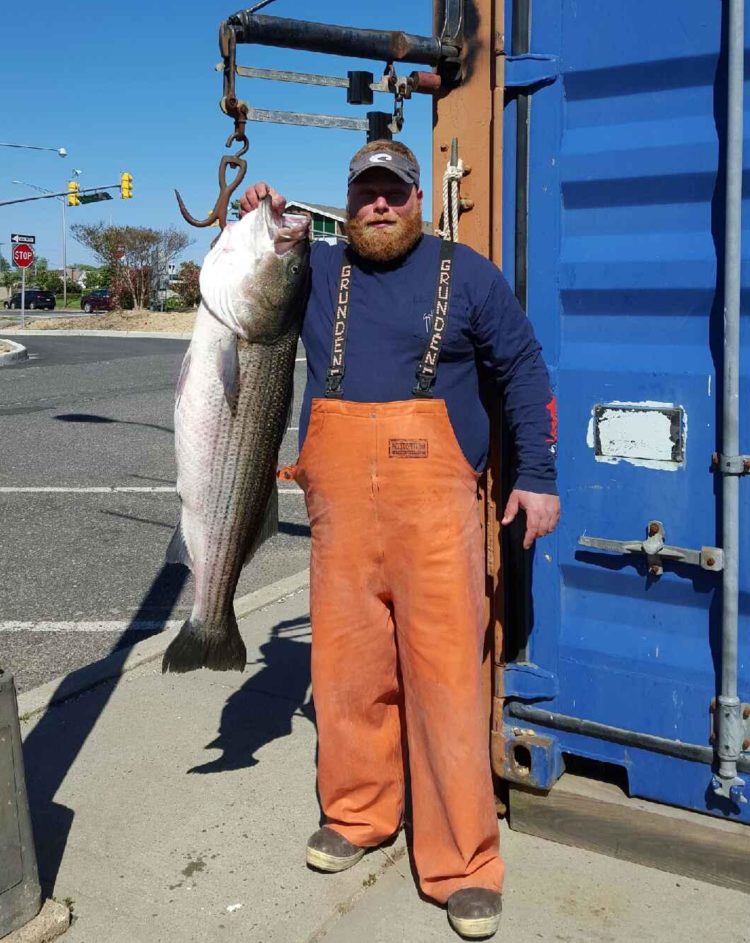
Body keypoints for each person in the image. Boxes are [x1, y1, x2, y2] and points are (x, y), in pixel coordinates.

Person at [240, 138, 559, 940]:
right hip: (343, 519)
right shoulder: (311, 268)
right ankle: (356, 815)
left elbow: (522, 368)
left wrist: (540, 476)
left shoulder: (468, 273)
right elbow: (248, 277)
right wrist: (252, 215)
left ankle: (462, 863)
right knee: (346, 676)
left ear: (419, 198)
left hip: (438, 520)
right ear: (347, 205)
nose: (380, 206)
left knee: (447, 686)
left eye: (395, 192)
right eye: (366, 194)